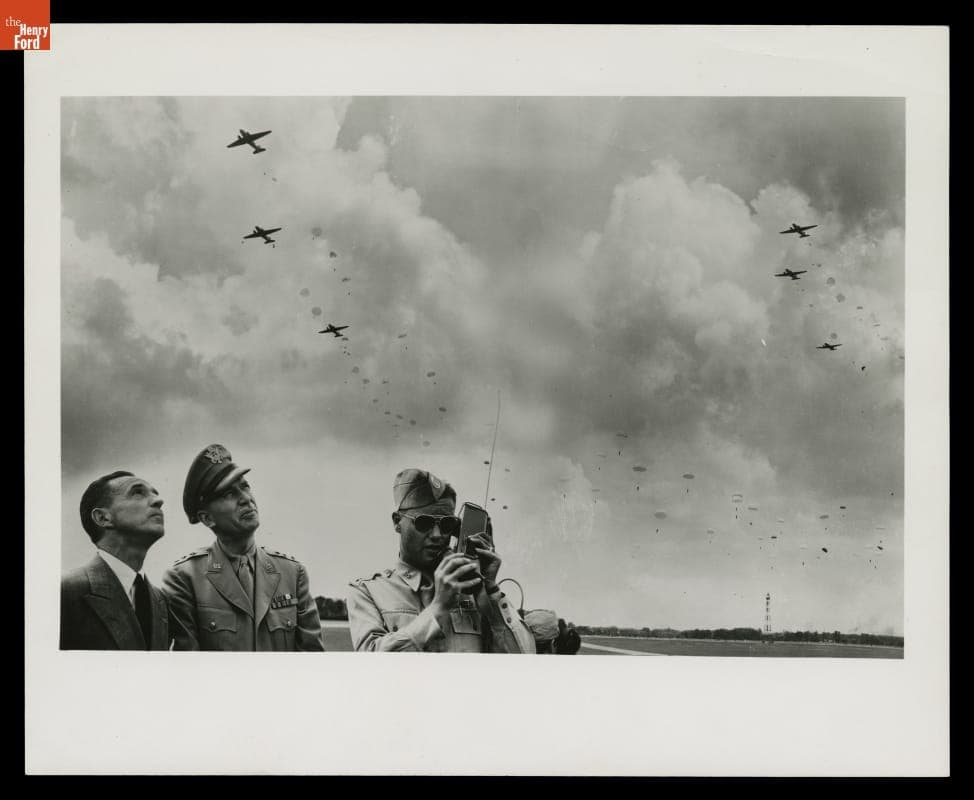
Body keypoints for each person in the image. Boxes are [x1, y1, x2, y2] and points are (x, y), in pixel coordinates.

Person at [347, 467, 536, 653]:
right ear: (397, 521)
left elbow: (525, 660)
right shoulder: (368, 591)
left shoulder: (473, 590)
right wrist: (438, 608)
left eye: (447, 524)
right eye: (424, 522)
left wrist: (492, 594)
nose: (437, 535)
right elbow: (370, 667)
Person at [161, 444, 323, 651]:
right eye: (229, 493)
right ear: (207, 518)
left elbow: (312, 662)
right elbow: (189, 669)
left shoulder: (292, 572)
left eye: (245, 486)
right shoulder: (185, 578)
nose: (246, 498)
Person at [61, 471, 171, 650]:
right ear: (103, 518)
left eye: (155, 493)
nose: (159, 501)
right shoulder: (65, 591)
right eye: (137, 493)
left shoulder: (161, 601)